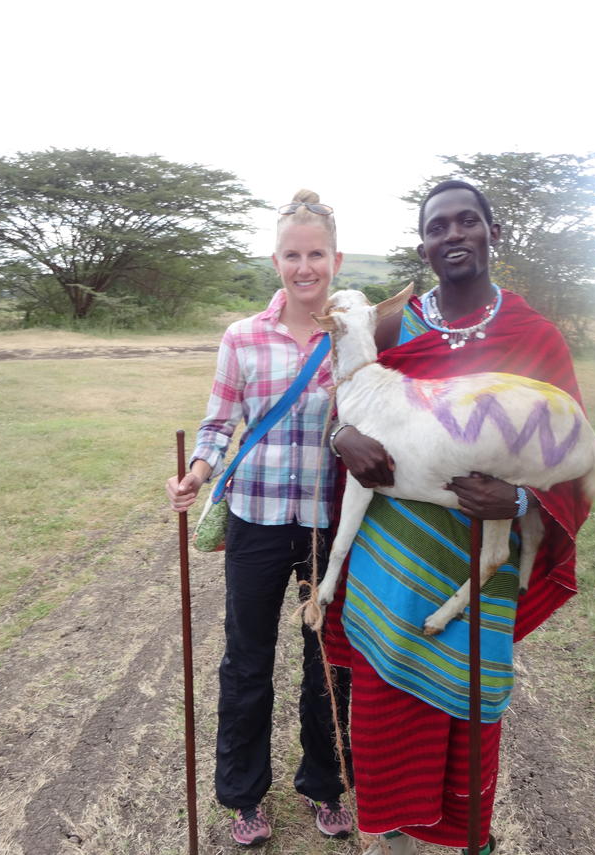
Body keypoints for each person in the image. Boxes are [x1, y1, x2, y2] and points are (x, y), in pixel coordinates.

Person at [323, 180, 595, 855]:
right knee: (384, 713)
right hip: (388, 565)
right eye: (438, 225)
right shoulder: (393, 326)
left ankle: (461, 839)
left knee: (466, 715)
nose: (453, 234)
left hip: (477, 566)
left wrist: (523, 501)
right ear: (424, 244)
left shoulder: (533, 338)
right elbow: (345, 399)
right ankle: (391, 840)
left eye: (467, 221)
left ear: (491, 233)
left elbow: (573, 460)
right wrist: (340, 439)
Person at [165, 190, 352, 847]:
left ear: (336, 257)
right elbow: (218, 426)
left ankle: (325, 787)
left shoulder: (353, 337)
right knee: (247, 662)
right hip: (256, 519)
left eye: (317, 254)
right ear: (276, 259)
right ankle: (244, 796)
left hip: (330, 524)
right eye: (292, 255)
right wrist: (196, 473)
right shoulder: (242, 336)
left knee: (331, 662)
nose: (305, 267)